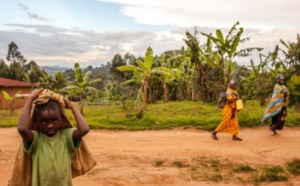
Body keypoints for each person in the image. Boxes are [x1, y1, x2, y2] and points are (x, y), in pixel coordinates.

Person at [10, 89, 96, 186]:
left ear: (61, 118)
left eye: (55, 120)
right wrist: (30, 99)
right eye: (43, 122)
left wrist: (72, 106)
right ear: (37, 122)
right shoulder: (36, 140)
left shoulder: (66, 136)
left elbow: (84, 130)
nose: (50, 126)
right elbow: (22, 129)